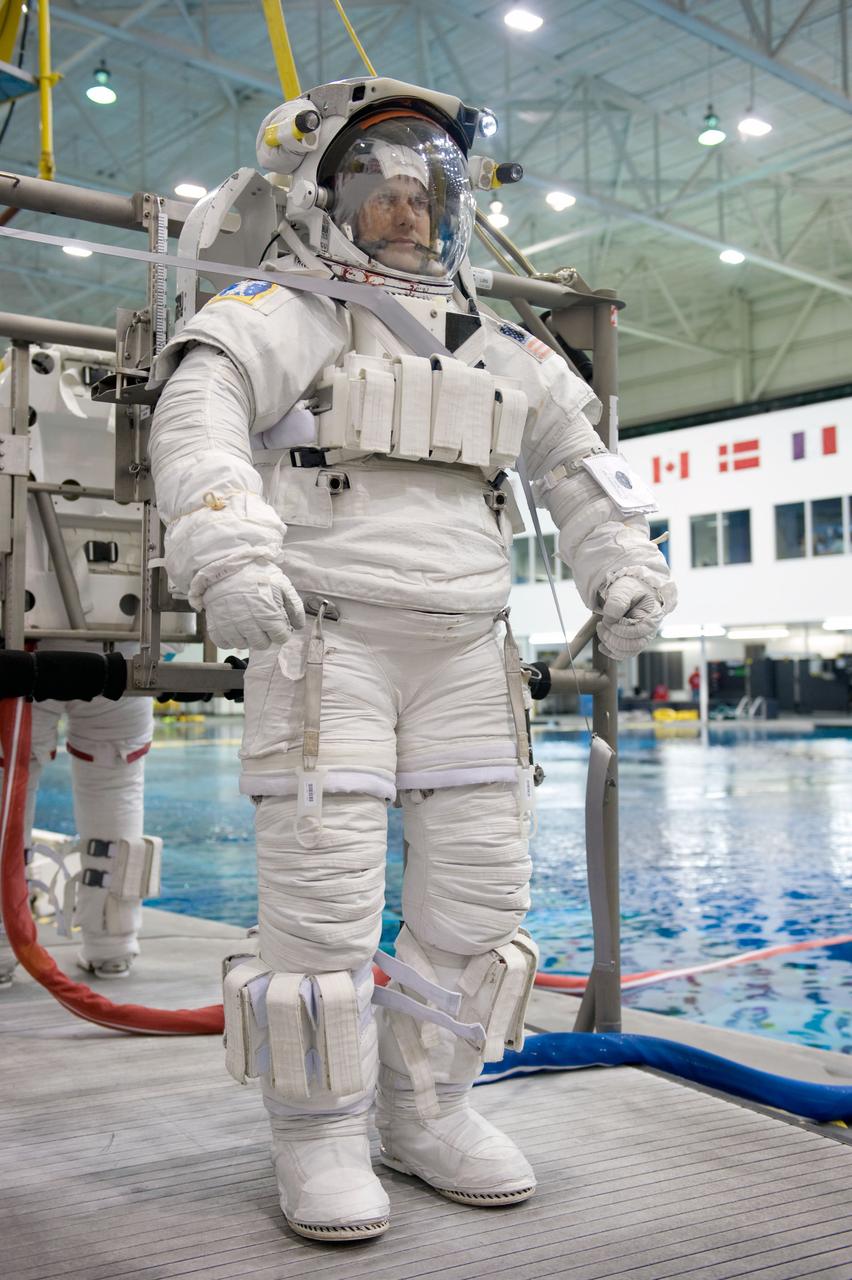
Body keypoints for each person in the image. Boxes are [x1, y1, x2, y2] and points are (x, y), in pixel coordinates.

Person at [149, 77, 676, 1242]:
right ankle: (320, 1131)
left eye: (426, 185)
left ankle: (428, 1107)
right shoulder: (279, 310)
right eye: (378, 181)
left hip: (467, 649)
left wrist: (624, 570)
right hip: (324, 641)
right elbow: (199, 416)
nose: (404, 204)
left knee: (481, 896)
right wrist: (228, 546)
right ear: (327, 192)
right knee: (325, 910)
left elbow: (581, 468)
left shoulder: (501, 343)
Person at [0, 347, 165, 984]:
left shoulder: (17, 394)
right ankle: (113, 943)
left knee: (13, 791)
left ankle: (4, 945)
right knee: (117, 791)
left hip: (27, 643)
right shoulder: (151, 414)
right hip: (124, 643)